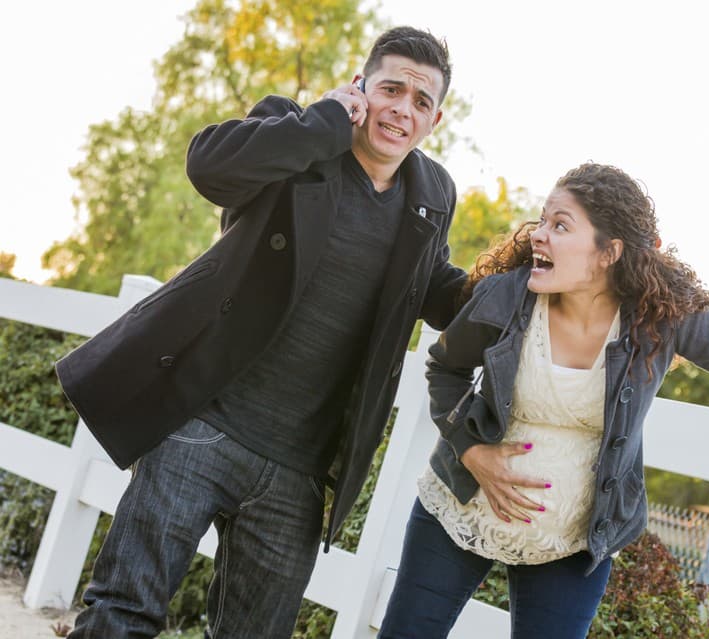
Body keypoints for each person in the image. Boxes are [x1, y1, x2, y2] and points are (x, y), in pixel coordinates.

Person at [377, 162, 709, 638]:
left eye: (560, 225)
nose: (539, 235)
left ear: (609, 252)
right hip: (461, 510)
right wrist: (472, 450)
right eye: (543, 220)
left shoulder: (659, 320)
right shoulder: (505, 297)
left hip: (575, 540)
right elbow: (445, 369)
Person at [55, 26, 466, 638]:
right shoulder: (297, 132)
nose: (403, 108)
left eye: (421, 100)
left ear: (434, 119)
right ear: (361, 86)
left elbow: (434, 287)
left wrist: (523, 288)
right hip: (201, 425)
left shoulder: (433, 193)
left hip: (299, 471)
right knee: (122, 613)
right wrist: (325, 122)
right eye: (391, 89)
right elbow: (210, 167)